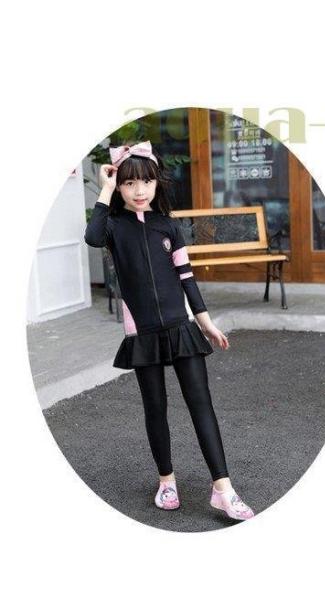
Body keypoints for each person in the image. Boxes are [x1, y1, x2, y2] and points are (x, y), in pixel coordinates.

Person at [84, 141, 254, 521]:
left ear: (156, 183)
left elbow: (186, 277)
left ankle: (223, 490)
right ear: (119, 186)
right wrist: (106, 188)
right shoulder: (113, 227)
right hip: (142, 333)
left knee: (201, 405)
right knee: (155, 408)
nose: (139, 191)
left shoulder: (168, 226)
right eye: (129, 183)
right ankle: (166, 482)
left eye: (146, 182)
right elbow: (92, 237)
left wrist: (206, 322)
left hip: (181, 328)